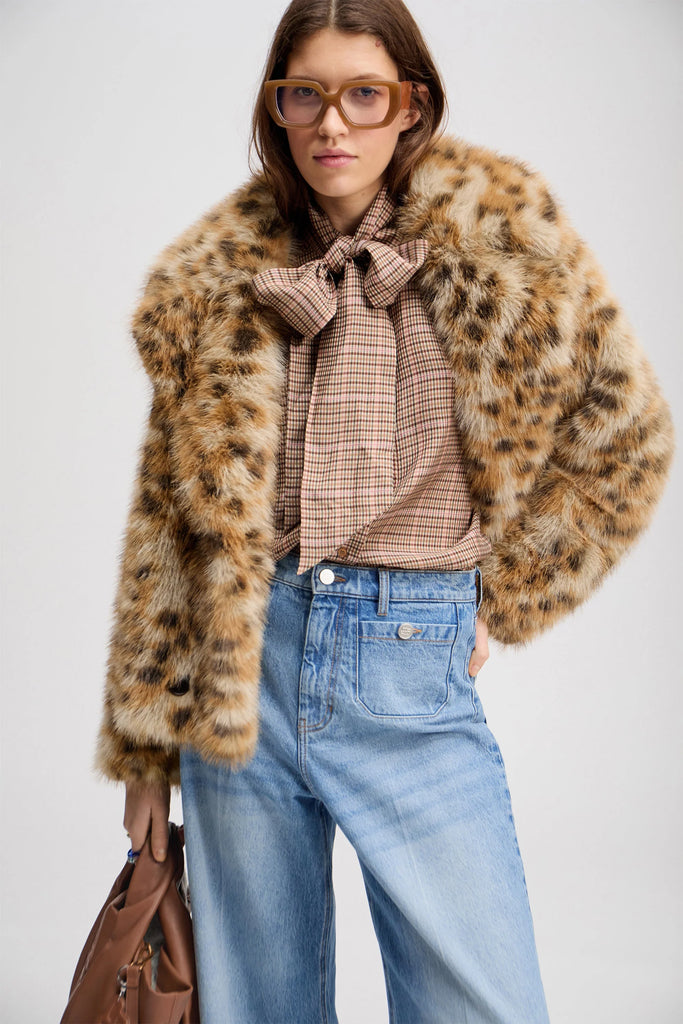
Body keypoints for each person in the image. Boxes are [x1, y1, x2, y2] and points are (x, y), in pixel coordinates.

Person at [96, 1, 674, 1021]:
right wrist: (147, 744)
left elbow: (625, 437)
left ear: (411, 104)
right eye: (305, 95)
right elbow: (168, 516)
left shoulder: (502, 243)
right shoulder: (224, 271)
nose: (332, 123)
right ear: (275, 108)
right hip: (241, 678)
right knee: (257, 1005)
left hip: (407, 661)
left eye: (363, 94)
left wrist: (503, 595)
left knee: (479, 1003)